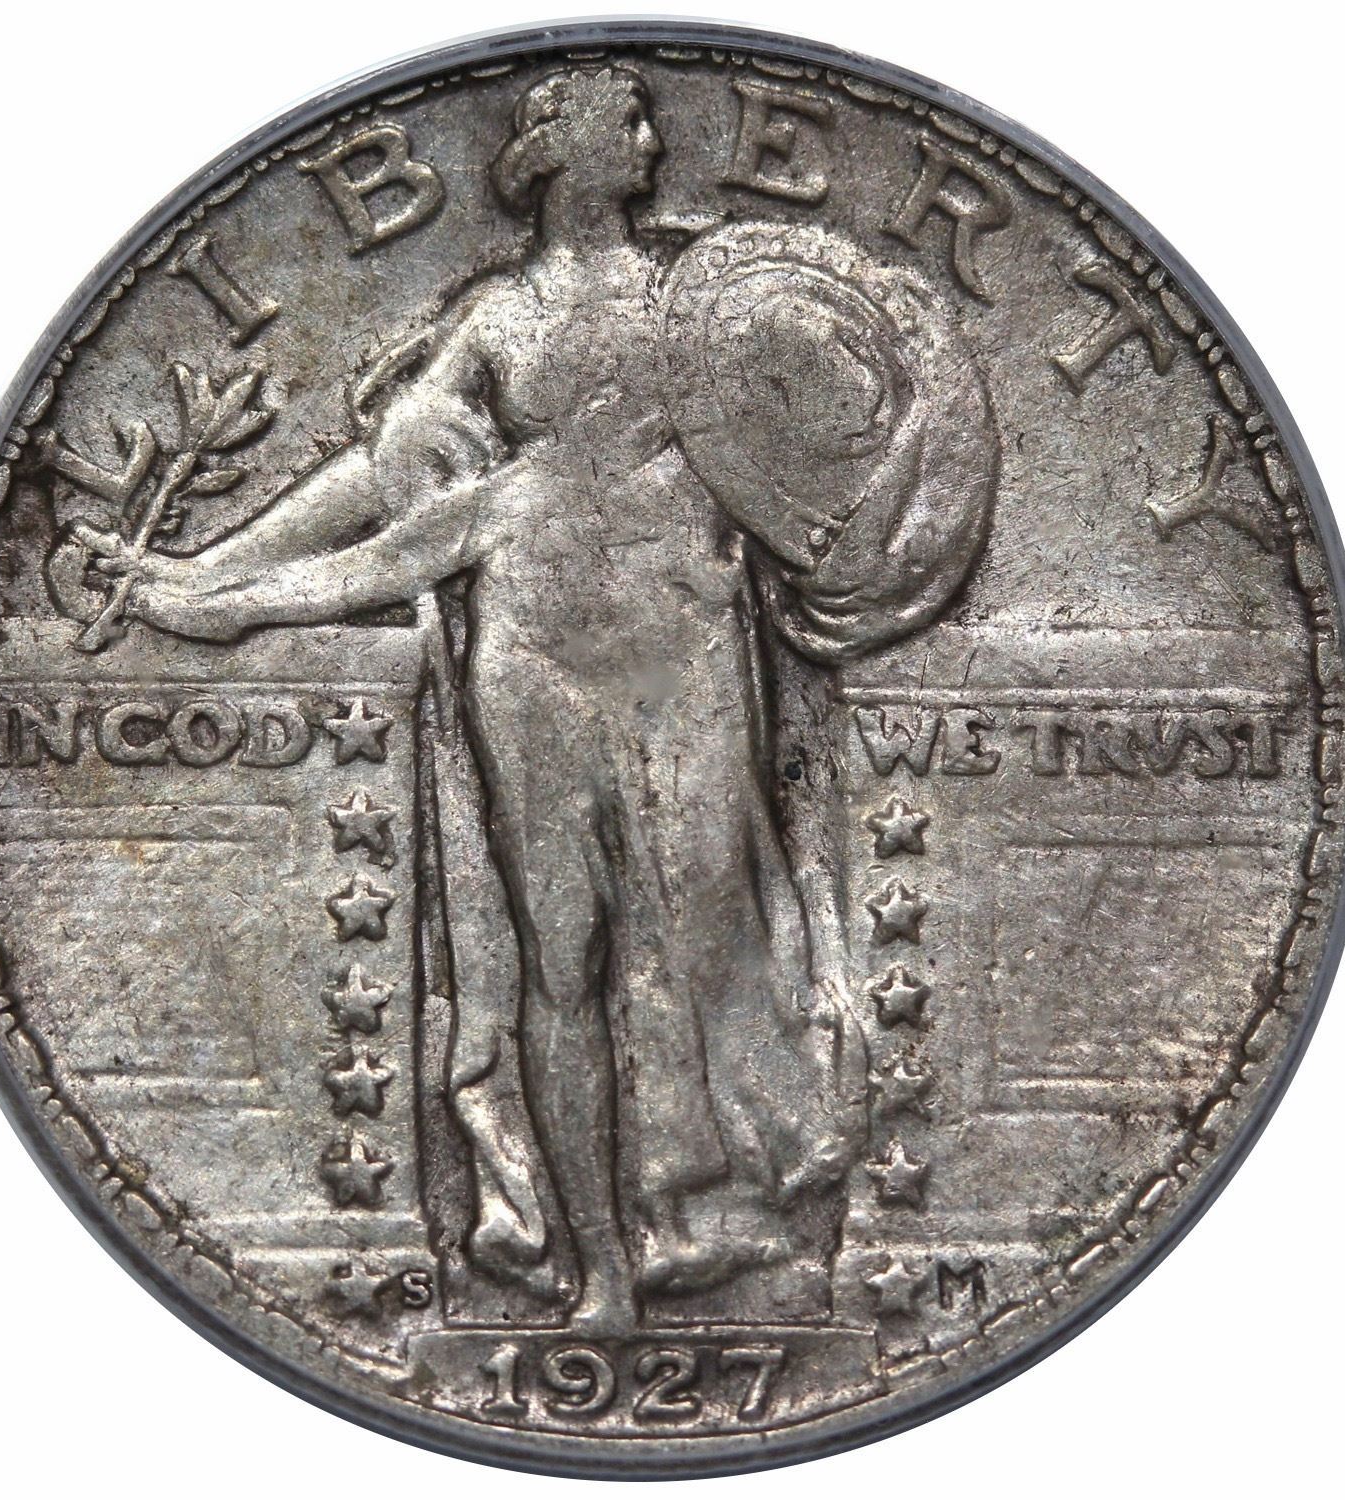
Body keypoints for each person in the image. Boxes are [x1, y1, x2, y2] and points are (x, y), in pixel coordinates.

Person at [65, 65, 995, 1330]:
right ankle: (598, 1265)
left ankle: (705, 1217)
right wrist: (197, 575)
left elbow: (838, 434)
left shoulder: (700, 295)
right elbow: (374, 489)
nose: (653, 136)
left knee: (705, 930)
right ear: (560, 151)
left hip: (682, 659)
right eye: (628, 122)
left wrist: (884, 542)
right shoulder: (495, 325)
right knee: (561, 961)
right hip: (529, 663)